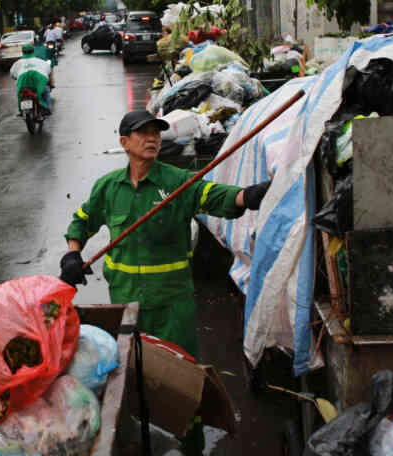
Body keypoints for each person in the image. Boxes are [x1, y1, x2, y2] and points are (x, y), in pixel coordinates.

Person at [60, 110, 270, 455]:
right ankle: (137, 444)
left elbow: (213, 195)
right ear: (124, 142)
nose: (152, 138)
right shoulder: (109, 187)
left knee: (185, 383)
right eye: (141, 133)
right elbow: (82, 221)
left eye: (155, 132)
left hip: (174, 306)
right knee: (130, 382)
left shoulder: (176, 182)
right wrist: (72, 255)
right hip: (126, 307)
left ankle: (191, 448)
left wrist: (247, 196)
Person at [9, 43, 53, 115]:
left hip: (24, 86)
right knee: (46, 91)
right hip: (38, 85)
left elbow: (12, 74)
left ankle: (21, 111)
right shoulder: (40, 61)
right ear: (33, 51)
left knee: (19, 94)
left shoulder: (17, 63)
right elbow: (48, 71)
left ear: (22, 52)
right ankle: (47, 108)